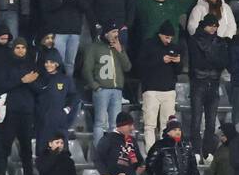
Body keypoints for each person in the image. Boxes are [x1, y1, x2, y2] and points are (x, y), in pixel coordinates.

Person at [0, 37, 40, 175]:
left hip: (27, 111)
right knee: (5, 145)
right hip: (11, 111)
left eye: (23, 48)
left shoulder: (31, 65)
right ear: (13, 49)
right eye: (18, 48)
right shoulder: (6, 65)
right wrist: (22, 81)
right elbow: (2, 85)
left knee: (26, 147)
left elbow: (38, 88)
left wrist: (29, 82)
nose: (21, 50)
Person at [81, 23, 131, 145]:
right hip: (101, 90)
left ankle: (112, 152)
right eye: (113, 32)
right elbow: (86, 69)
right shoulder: (94, 47)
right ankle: (99, 152)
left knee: (115, 124)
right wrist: (95, 86)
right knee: (100, 123)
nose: (116, 35)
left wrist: (120, 51)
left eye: (117, 32)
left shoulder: (119, 48)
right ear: (106, 33)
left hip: (117, 90)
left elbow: (127, 67)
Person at [188, 14, 229, 157]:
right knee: (196, 120)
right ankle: (195, 151)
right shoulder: (194, 41)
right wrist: (214, 61)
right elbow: (196, 63)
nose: (213, 28)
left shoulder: (221, 42)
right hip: (198, 83)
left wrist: (211, 61)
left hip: (214, 84)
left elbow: (223, 62)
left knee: (211, 123)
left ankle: (208, 152)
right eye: (211, 25)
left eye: (215, 26)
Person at [138, 22, 184, 150]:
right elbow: (140, 65)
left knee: (167, 125)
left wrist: (178, 63)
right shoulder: (148, 45)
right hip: (151, 90)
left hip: (169, 90)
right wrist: (160, 60)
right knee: (150, 125)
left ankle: (166, 152)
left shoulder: (175, 48)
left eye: (171, 38)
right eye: (166, 37)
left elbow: (178, 71)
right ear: (160, 35)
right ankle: (151, 152)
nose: (168, 40)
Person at [41, 0, 87, 70]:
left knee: (70, 62)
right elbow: (45, 7)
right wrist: (59, 2)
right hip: (58, 31)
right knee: (58, 62)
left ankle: (69, 86)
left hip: (74, 31)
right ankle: (58, 86)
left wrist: (77, 2)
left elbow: (86, 7)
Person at [33, 49, 78, 152]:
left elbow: (74, 96)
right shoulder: (39, 78)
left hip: (59, 123)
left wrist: (67, 109)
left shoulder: (65, 79)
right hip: (42, 123)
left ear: (57, 63)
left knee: (61, 154)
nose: (48, 65)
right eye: (46, 62)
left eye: (51, 62)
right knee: (42, 153)